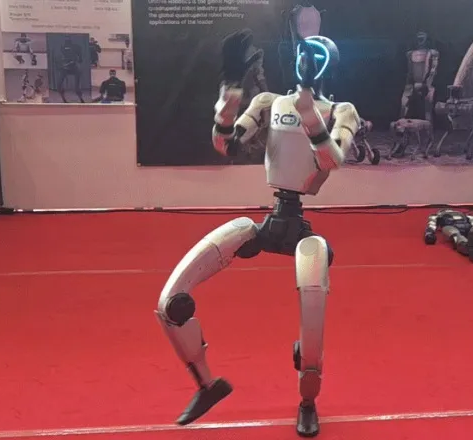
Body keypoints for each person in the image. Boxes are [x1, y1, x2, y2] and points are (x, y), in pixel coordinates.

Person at [154, 30, 360, 438]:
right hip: (267, 223)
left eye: (316, 56)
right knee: (171, 300)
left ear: (329, 66)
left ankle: (308, 400)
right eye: (303, 54)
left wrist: (309, 109)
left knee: (312, 326)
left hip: (302, 233)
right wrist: (230, 95)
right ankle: (208, 385)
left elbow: (332, 160)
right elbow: (226, 145)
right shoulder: (269, 102)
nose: (307, 60)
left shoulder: (342, 110)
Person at [57, 36, 85, 103]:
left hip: (73, 66)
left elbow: (80, 59)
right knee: (59, 84)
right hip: (66, 67)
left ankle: (80, 97)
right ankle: (64, 98)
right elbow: (59, 58)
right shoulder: (62, 47)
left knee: (77, 85)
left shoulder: (75, 47)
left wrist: (75, 60)